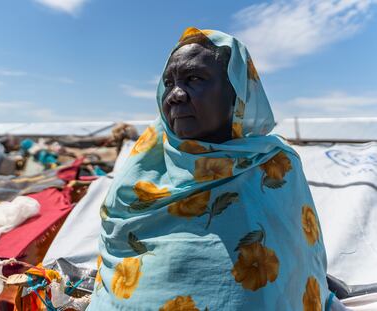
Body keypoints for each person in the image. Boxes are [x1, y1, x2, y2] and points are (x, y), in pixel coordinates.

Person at [87, 27, 345, 310]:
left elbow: (299, 259)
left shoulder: (275, 164)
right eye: (168, 82)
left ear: (237, 93)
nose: (175, 95)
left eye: (194, 79)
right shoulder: (144, 164)